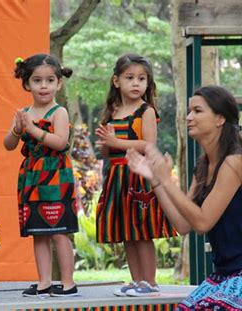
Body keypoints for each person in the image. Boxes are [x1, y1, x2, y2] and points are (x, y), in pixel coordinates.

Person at [127, 85, 242, 310]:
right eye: (189, 111)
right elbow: (184, 224)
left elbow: (203, 222)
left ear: (220, 119)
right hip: (222, 276)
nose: (189, 117)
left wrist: (167, 180)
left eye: (197, 111)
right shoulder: (203, 166)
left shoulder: (236, 161)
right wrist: (156, 181)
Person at [94, 53, 176, 297]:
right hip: (117, 178)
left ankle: (149, 282)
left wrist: (116, 141)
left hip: (138, 176)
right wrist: (105, 145)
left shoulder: (146, 111)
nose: (136, 83)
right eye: (130, 77)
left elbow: (149, 145)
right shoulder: (113, 110)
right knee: (126, 233)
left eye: (142, 78)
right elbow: (110, 153)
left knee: (142, 232)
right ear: (116, 81)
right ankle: (136, 280)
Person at [4, 54, 79, 297]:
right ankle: (44, 281)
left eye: (49, 80)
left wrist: (33, 129)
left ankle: (68, 282)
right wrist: (17, 130)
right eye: (37, 80)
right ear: (27, 84)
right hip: (32, 178)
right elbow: (7, 144)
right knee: (38, 233)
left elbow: (60, 142)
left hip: (56, 176)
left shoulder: (59, 112)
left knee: (59, 231)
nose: (43, 86)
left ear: (59, 83)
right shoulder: (24, 112)